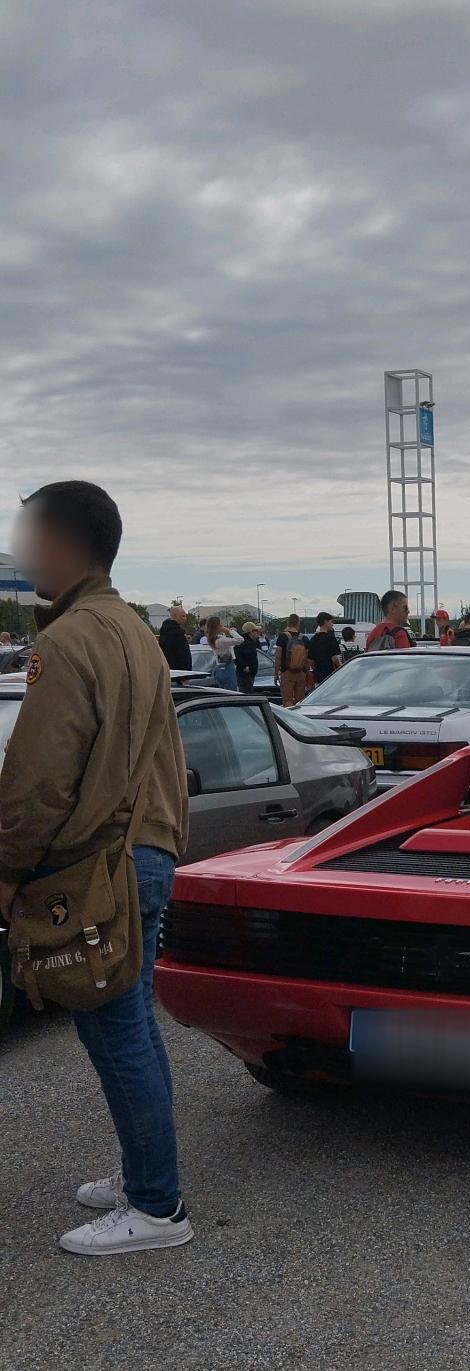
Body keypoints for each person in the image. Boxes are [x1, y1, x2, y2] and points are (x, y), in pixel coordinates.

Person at [0, 480, 191, 1254]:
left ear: (63, 543)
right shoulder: (135, 629)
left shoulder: (68, 639)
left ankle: (155, 1204)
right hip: (145, 849)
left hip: (99, 862)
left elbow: (38, 778)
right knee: (132, 1023)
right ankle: (148, 1175)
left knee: (115, 1029)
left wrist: (8, 868)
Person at [274, 614, 309, 706]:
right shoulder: (304, 638)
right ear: (298, 624)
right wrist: (306, 672)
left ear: (288, 623)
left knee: (287, 700)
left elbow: (278, 656)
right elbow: (307, 657)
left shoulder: (282, 637)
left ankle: (288, 719)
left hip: (287, 672)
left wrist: (276, 673)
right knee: (300, 701)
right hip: (301, 673)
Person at [308, 610, 341, 686]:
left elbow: (310, 660)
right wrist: (340, 667)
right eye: (331, 622)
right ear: (326, 622)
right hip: (330, 675)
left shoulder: (313, 639)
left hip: (318, 676)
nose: (332, 624)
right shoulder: (331, 638)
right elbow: (334, 658)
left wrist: (316, 669)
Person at [205, 615, 237, 691]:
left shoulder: (214, 638)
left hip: (219, 667)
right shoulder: (220, 640)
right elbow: (240, 640)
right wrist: (231, 631)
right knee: (231, 693)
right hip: (227, 667)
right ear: (218, 626)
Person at [157, 601, 191, 672]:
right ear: (175, 616)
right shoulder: (177, 634)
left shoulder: (164, 632)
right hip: (180, 673)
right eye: (183, 616)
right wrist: (185, 673)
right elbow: (182, 655)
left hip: (168, 671)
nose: (185, 618)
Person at [234, 621, 261, 694]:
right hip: (244, 675)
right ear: (251, 632)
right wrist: (244, 666)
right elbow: (236, 656)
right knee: (246, 694)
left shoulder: (252, 642)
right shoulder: (242, 642)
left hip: (251, 674)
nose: (258, 632)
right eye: (256, 631)